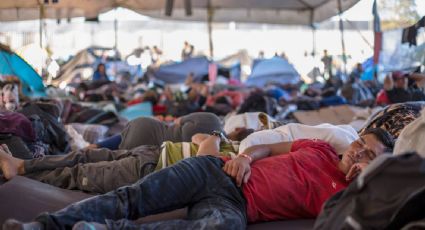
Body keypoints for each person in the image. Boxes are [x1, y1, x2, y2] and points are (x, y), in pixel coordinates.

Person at [3, 128, 394, 229]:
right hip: (215, 169)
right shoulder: (321, 149)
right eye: (360, 143)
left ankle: (100, 228)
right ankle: (41, 226)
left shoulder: (348, 195)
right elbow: (270, 148)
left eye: (368, 155)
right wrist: (243, 156)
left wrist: (364, 180)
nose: (357, 152)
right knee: (130, 195)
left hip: (235, 203)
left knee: (220, 226)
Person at [0, 129, 249, 194]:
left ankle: (20, 176)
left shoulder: (242, 162)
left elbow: (204, 157)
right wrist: (214, 139)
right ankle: (21, 165)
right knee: (82, 155)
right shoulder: (242, 149)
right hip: (151, 152)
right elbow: (197, 137)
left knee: (80, 174)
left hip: (150, 169)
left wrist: (216, 138)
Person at [91, 112, 223, 150]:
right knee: (111, 159)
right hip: (149, 152)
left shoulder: (212, 118)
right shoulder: (217, 146)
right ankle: (95, 149)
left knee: (123, 136)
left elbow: (177, 121)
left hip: (146, 127)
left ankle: (94, 146)